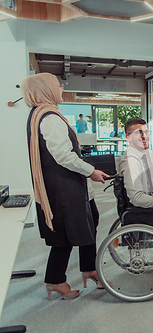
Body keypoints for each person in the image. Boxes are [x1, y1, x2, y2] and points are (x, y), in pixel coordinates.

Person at [22, 73, 109, 300]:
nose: (61, 89)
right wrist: (91, 171)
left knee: (91, 219)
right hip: (64, 189)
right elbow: (63, 156)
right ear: (46, 90)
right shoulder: (49, 117)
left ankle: (89, 269)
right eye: (58, 86)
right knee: (65, 235)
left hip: (70, 186)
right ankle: (56, 280)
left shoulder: (42, 114)